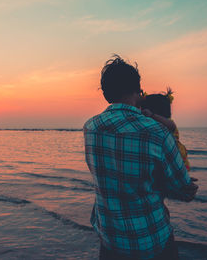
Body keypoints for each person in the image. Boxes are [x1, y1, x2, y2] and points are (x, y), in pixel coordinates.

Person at [83, 55, 198, 260]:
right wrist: (181, 186)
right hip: (151, 240)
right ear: (138, 92)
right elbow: (183, 189)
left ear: (106, 94)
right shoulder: (156, 132)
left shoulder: (91, 128)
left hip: (110, 240)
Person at [140, 88, 190, 171]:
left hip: (176, 160)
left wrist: (152, 115)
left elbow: (172, 125)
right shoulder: (155, 125)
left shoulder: (168, 123)